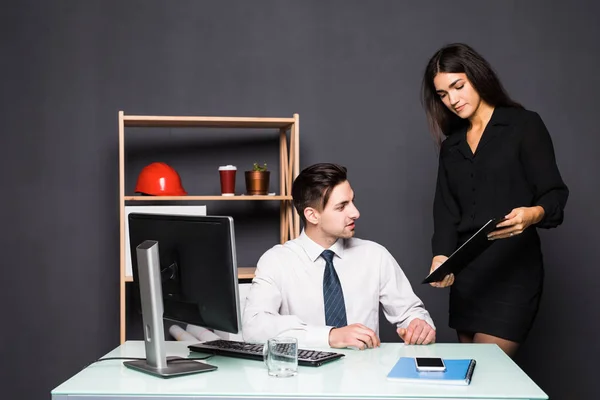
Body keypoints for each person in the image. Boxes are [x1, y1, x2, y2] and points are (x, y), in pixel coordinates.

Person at [421, 43, 569, 357]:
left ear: (477, 76)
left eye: (458, 86)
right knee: (473, 382)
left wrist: (532, 214)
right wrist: (440, 257)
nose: (452, 100)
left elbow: (555, 194)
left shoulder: (524, 125)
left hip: (514, 273)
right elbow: (446, 211)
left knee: (487, 374)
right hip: (468, 277)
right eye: (443, 94)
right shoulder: (452, 146)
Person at [242, 163, 436, 349]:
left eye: (352, 201)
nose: (356, 213)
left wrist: (419, 325)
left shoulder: (375, 256)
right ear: (312, 215)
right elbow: (254, 328)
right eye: (342, 206)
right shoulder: (277, 261)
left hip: (366, 375)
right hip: (302, 378)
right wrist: (330, 336)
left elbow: (411, 312)